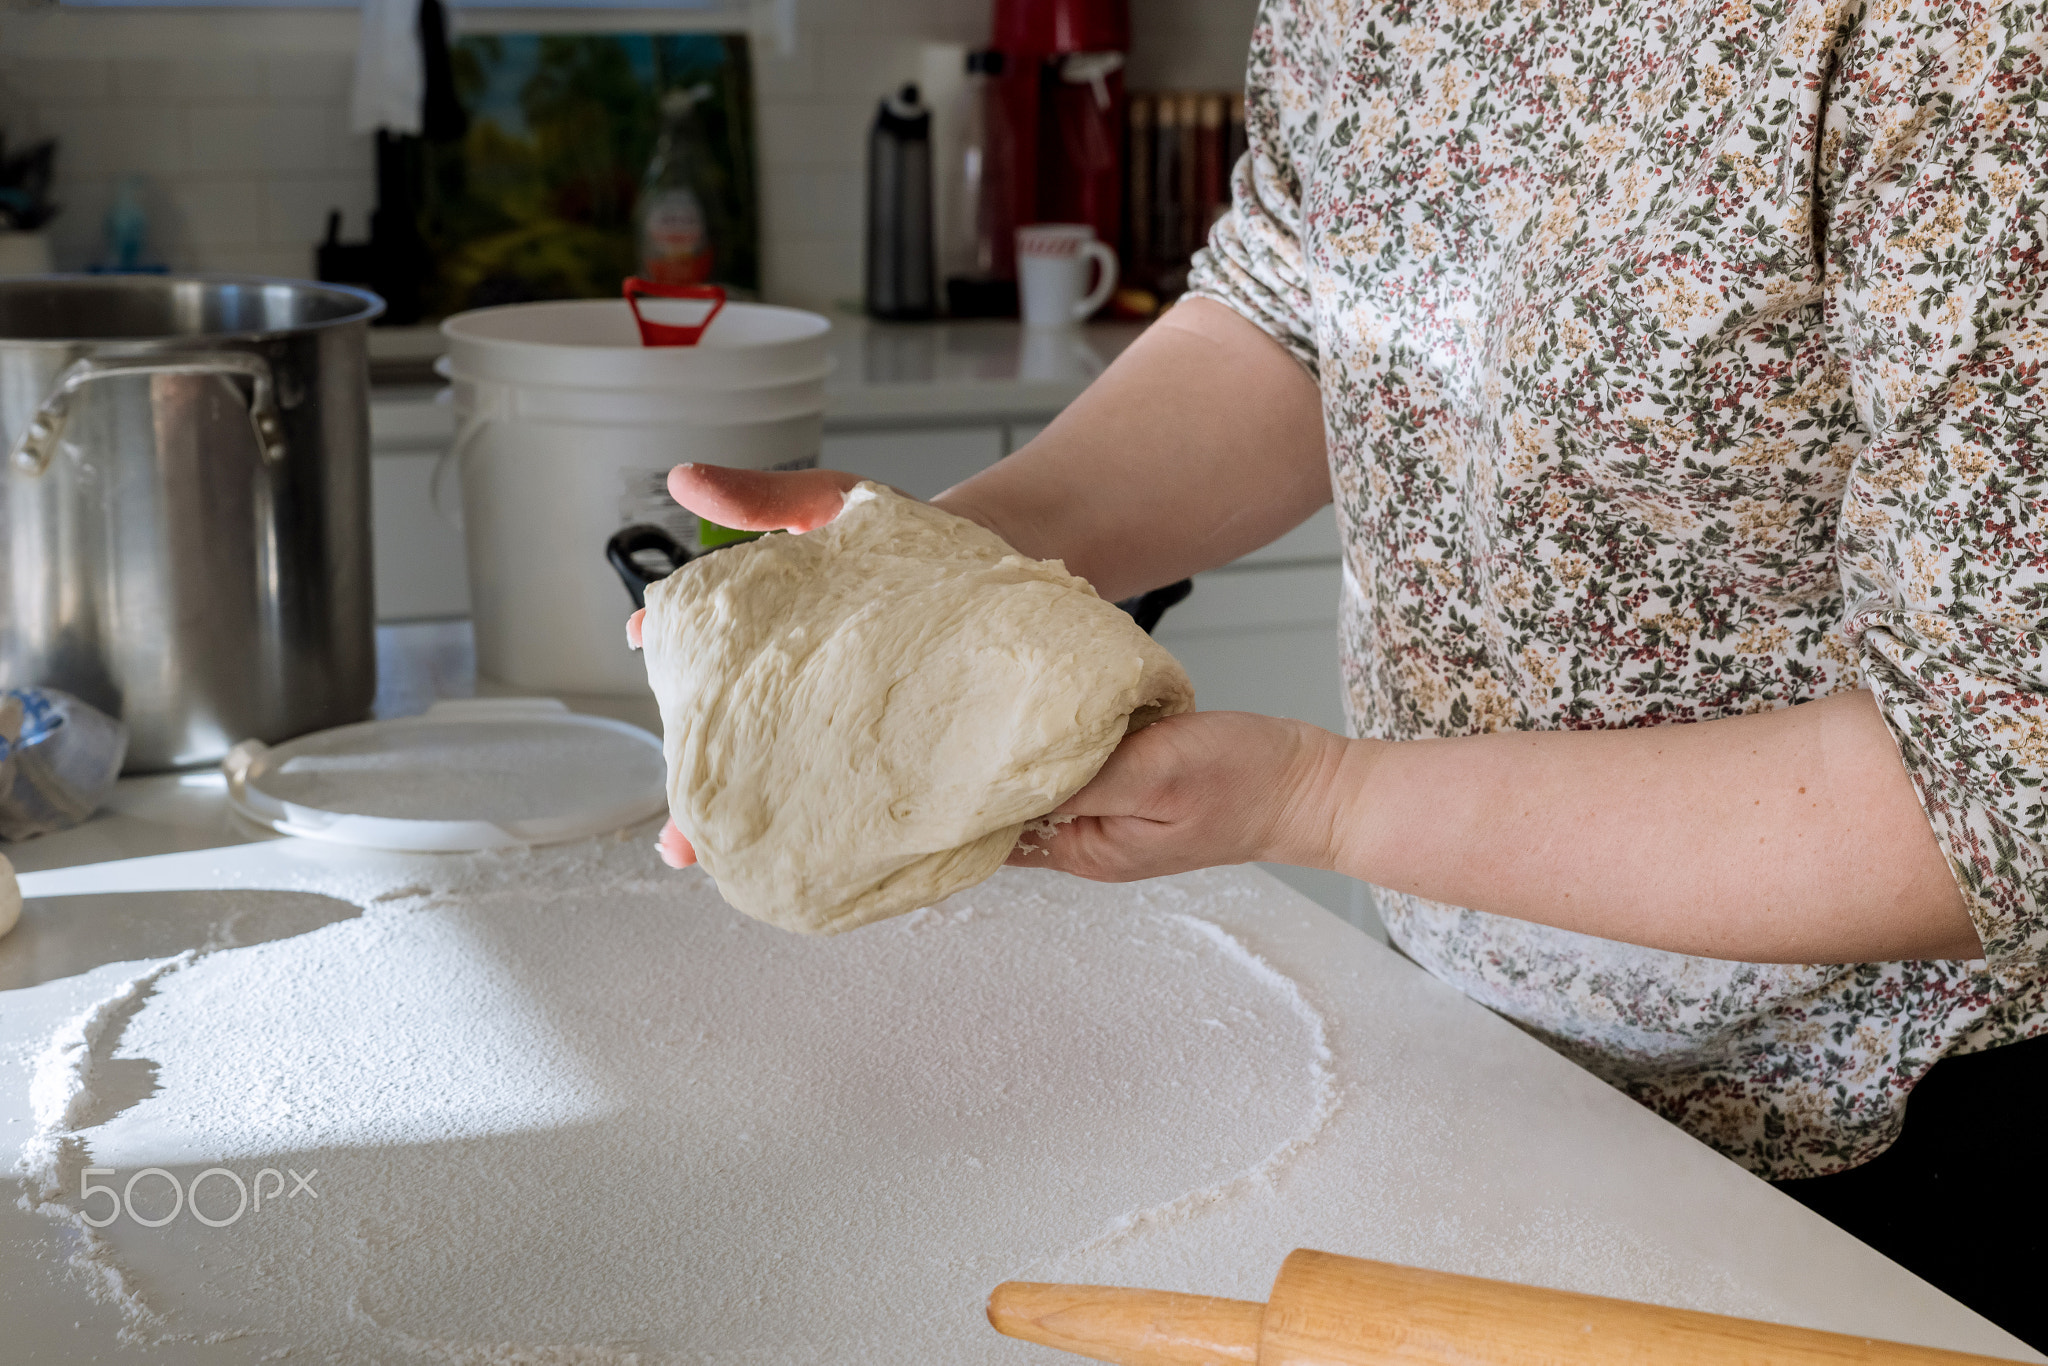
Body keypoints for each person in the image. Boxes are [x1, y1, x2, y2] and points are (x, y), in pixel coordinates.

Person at [628, 0, 2048, 1344]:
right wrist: (939, 577)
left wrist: (1319, 800)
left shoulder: (1951, 38)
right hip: (1484, 1056)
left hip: (1892, 1140)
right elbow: (1299, 319)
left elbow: (1985, 799)